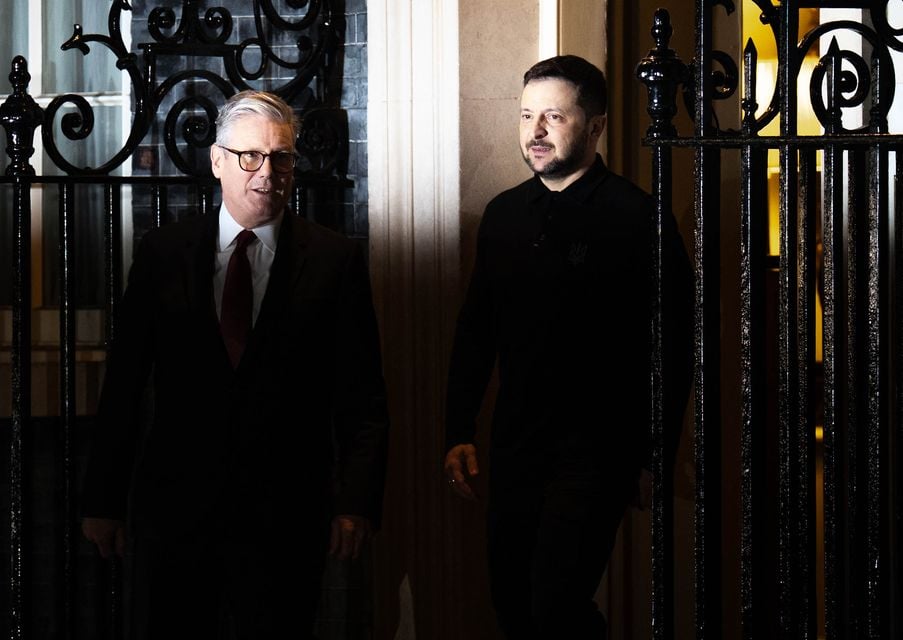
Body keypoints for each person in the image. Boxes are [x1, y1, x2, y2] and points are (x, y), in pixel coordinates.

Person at [81, 91, 389, 639]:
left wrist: (356, 503)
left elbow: (361, 397)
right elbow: (124, 386)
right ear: (218, 161)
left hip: (286, 515)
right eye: (249, 156)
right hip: (177, 512)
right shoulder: (163, 254)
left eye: (281, 157)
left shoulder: (334, 261)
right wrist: (104, 500)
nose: (266, 172)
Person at [444, 56, 692, 638]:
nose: (535, 131)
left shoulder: (638, 218)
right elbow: (476, 330)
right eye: (527, 115)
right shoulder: (503, 215)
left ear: (596, 126)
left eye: (553, 116)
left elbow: (675, 346)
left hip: (598, 453)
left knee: (555, 604)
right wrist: (457, 429)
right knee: (511, 603)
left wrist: (656, 452)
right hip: (514, 447)